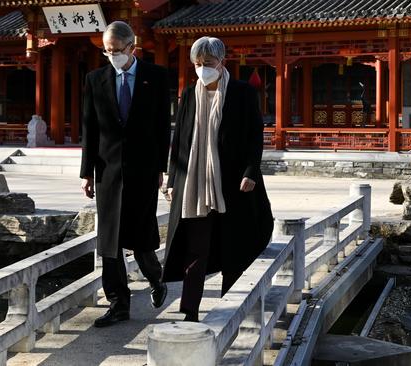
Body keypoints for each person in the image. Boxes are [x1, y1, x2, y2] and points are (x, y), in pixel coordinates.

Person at [163, 36, 274, 322]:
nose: (202, 69)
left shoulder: (242, 93)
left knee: (234, 247)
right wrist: (173, 179)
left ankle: (230, 309)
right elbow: (181, 141)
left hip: (233, 184)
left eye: (208, 64)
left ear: (222, 62)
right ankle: (189, 312)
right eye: (198, 64)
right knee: (195, 249)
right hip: (195, 184)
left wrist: (251, 172)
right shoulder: (189, 94)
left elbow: (254, 137)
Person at [80, 21, 170, 328]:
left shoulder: (155, 77)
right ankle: (118, 304)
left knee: (142, 236)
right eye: (107, 51)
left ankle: (157, 280)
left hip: (144, 169)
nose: (112, 56)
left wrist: (162, 168)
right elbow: (89, 128)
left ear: (132, 47)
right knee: (110, 239)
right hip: (107, 170)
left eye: (117, 50)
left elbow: (162, 127)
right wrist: (86, 173)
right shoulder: (95, 79)